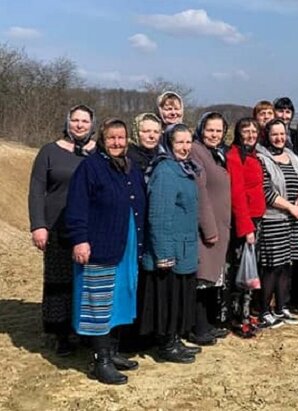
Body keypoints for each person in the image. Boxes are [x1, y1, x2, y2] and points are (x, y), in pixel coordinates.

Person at [65, 118, 146, 385]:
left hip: (126, 246)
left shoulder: (130, 168)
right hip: (100, 245)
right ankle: (100, 359)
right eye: (111, 138)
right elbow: (77, 207)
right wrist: (80, 240)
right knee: (99, 303)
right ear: (102, 139)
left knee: (120, 300)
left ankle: (113, 350)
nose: (117, 143)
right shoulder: (91, 167)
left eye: (121, 138)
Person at [29, 105, 96, 356]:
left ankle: (85, 329)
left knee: (86, 280)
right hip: (56, 225)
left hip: (89, 227)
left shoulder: (97, 151)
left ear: (92, 124)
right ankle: (59, 333)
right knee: (59, 280)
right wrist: (38, 225)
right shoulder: (49, 151)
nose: (79, 125)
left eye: (85, 121)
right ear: (68, 123)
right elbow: (36, 190)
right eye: (75, 120)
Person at [139, 124, 201, 364]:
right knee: (168, 298)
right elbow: (158, 215)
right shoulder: (164, 171)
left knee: (179, 297)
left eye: (188, 142)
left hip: (184, 246)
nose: (185, 147)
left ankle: (175, 338)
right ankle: (166, 344)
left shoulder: (182, 168)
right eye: (179, 143)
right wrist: (163, 253)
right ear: (169, 143)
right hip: (170, 248)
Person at [255, 119, 298, 328]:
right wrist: (290, 207)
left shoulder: (292, 156)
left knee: (286, 265)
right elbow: (266, 192)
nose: (279, 138)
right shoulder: (262, 158)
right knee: (272, 267)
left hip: (293, 220)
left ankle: (282, 307)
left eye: (282, 134)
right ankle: (265, 310)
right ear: (267, 135)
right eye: (274, 134)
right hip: (273, 219)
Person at [188, 112, 233, 345]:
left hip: (220, 225)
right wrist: (208, 227)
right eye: (210, 130)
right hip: (207, 226)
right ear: (201, 129)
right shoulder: (196, 151)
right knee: (202, 277)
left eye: (219, 131)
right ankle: (198, 328)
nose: (214, 135)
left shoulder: (217, 154)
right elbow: (200, 191)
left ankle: (208, 324)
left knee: (211, 279)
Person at [225, 118, 262, 331]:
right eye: (245, 131)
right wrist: (246, 227)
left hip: (256, 218)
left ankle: (247, 313)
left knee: (251, 272)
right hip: (244, 222)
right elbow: (237, 194)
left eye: (253, 131)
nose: (250, 135)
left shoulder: (253, 154)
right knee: (241, 272)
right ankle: (238, 317)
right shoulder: (234, 156)